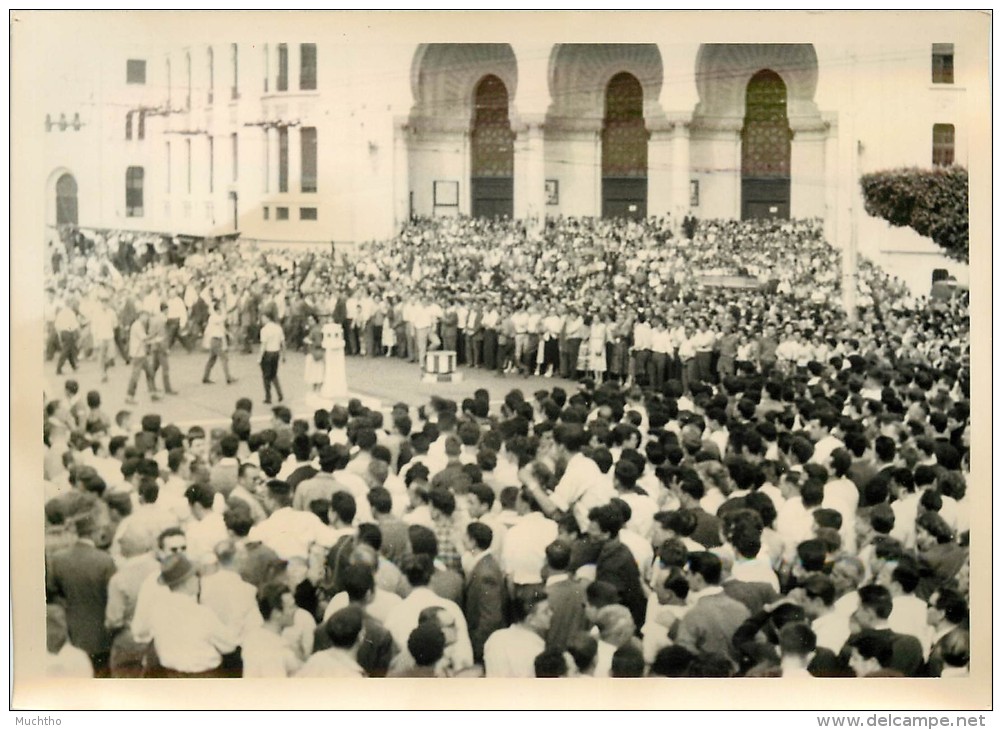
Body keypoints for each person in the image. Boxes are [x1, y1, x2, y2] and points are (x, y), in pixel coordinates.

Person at [145, 553, 239, 677]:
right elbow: (229, 645)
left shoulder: (157, 609)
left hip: (170, 676)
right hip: (204, 678)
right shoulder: (201, 613)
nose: (198, 580)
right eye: (196, 575)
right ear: (186, 582)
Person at [483, 587, 551, 678]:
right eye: (545, 612)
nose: (551, 613)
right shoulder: (538, 651)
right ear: (530, 620)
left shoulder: (495, 638)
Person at [240, 582, 302, 677]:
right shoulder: (270, 649)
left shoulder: (257, 636)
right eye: (291, 607)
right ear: (276, 613)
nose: (296, 610)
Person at [124, 310, 159, 405]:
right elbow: (144, 338)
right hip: (137, 355)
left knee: (150, 372)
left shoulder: (140, 325)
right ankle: (129, 396)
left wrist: (153, 340)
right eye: (146, 316)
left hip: (141, 354)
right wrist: (154, 335)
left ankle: (153, 393)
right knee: (135, 376)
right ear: (141, 316)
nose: (147, 318)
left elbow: (144, 341)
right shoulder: (137, 326)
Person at [202, 301, 237, 385]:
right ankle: (228, 378)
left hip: (216, 341)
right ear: (217, 310)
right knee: (224, 358)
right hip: (215, 340)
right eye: (220, 309)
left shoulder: (216, 317)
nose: (221, 310)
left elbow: (222, 328)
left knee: (212, 360)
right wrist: (225, 310)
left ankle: (205, 377)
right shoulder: (213, 317)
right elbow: (222, 318)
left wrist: (229, 334)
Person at [259, 310, 286, 405]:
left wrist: (259, 357)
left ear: (267, 318)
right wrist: (284, 355)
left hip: (268, 353)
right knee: (274, 374)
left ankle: (268, 397)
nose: (262, 319)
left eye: (263, 318)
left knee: (266, 376)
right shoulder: (278, 328)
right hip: (276, 352)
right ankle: (280, 394)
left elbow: (263, 345)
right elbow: (283, 343)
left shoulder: (264, 330)